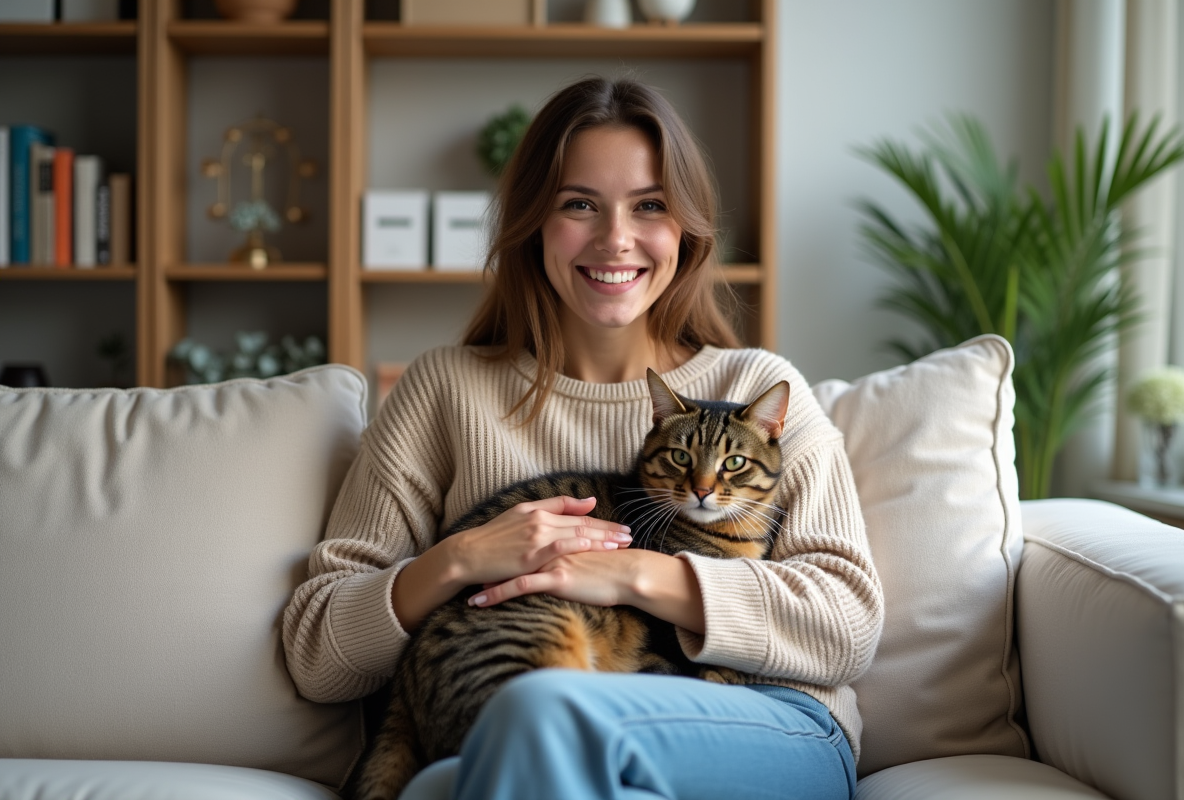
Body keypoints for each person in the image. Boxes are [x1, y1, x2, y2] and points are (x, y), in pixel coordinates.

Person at [283, 76, 884, 800]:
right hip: (512, 725)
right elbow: (318, 653)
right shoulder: (444, 388)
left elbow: (848, 626)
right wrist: (460, 558)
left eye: (649, 205)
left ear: (687, 229)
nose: (615, 239)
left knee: (532, 723)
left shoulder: (758, 385)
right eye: (579, 204)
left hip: (767, 724)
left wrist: (631, 575)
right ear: (533, 222)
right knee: (488, 759)